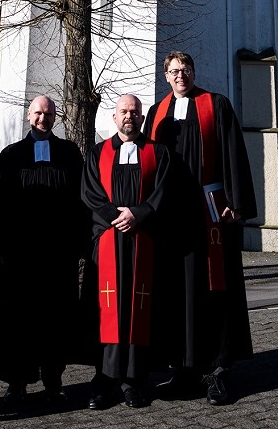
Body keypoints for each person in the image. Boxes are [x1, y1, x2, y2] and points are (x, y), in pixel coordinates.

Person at [143, 50, 257, 405]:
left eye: (187, 69)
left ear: (194, 72)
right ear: (166, 76)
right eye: (175, 71)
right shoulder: (155, 113)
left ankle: (218, 370)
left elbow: (234, 153)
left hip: (210, 212)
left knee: (214, 288)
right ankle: (183, 368)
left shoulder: (216, 105)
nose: (182, 75)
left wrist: (236, 205)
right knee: (177, 288)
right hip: (172, 217)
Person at [0, 95, 86, 405]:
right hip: (20, 254)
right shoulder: (11, 154)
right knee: (18, 320)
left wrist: (82, 244)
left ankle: (53, 380)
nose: (42, 118)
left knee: (56, 318)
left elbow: (81, 201)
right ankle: (16, 382)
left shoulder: (69, 153)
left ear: (55, 117)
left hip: (59, 255)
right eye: (38, 113)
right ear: (28, 116)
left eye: (48, 113)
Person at [81, 94, 173, 410]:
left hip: (143, 241)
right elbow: (90, 193)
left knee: (137, 308)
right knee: (106, 310)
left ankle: (134, 381)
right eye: (123, 111)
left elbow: (163, 192)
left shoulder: (158, 153)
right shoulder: (98, 153)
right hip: (107, 242)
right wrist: (116, 216)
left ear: (142, 117)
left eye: (134, 111)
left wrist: (139, 214)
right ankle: (104, 381)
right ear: (114, 117)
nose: (129, 116)